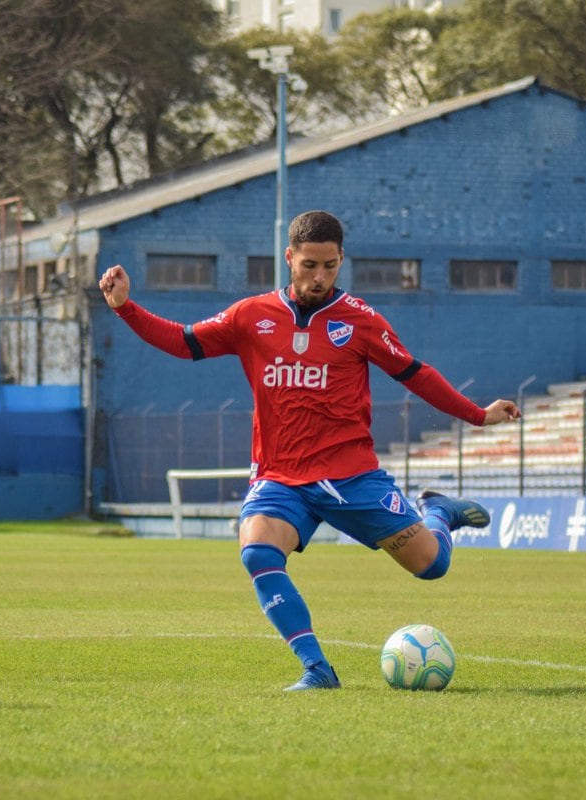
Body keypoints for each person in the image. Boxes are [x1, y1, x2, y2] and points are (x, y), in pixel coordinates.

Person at [99, 210, 520, 691]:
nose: (320, 277)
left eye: (330, 266)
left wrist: (477, 414)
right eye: (309, 265)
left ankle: (439, 513)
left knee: (432, 566)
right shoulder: (250, 316)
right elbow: (183, 341)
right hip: (280, 478)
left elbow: (414, 373)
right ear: (289, 258)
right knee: (257, 551)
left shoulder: (361, 321)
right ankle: (317, 669)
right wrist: (125, 308)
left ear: (341, 260)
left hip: (351, 475)